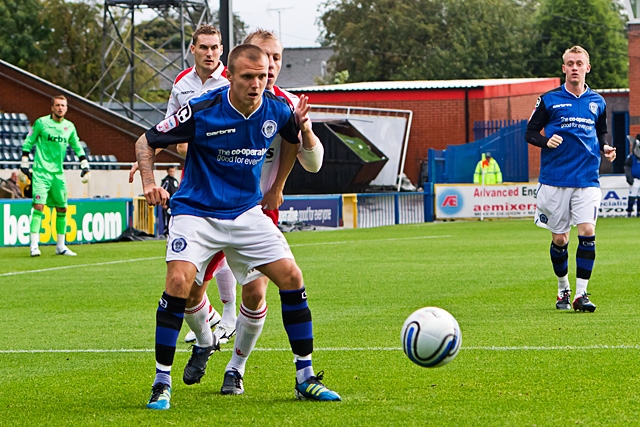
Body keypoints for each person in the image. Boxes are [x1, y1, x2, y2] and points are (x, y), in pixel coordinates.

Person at [137, 44, 340, 410]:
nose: (256, 84)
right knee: (179, 284)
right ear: (229, 76)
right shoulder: (202, 109)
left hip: (246, 213)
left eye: (262, 76)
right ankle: (161, 382)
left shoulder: (277, 109)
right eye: (248, 76)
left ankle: (305, 377)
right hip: (196, 212)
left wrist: (277, 187)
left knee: (292, 278)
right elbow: (146, 140)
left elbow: (295, 142)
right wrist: (150, 183)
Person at [216, 28, 324, 397]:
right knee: (186, 292)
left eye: (277, 58)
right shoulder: (218, 100)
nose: (271, 66)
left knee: (255, 294)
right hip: (210, 208)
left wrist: (306, 130)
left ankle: (236, 367)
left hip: (257, 213)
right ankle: (202, 339)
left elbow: (314, 163)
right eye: (264, 57)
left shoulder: (289, 105)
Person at [129, 24, 236, 345]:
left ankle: (228, 313)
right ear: (193, 49)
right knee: (198, 254)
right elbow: (168, 126)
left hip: (228, 173)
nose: (210, 53)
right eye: (204, 47)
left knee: (222, 247)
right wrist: (146, 154)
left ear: (222, 50)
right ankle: (208, 316)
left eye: (215, 47)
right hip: (194, 175)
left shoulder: (233, 79)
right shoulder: (181, 83)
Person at [525, 45, 616, 313]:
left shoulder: (598, 102)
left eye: (579, 63)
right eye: (570, 63)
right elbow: (530, 132)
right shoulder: (549, 100)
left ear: (587, 68)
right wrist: (545, 140)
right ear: (563, 68)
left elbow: (601, 134)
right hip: (554, 180)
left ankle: (581, 294)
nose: (574, 67)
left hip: (587, 179)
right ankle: (563, 289)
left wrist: (606, 148)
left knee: (587, 232)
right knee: (561, 240)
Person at [20, 95, 90, 257]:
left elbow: (77, 146)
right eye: (57, 105)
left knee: (62, 208)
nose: (60, 108)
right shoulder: (41, 123)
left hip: (58, 174)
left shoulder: (69, 127)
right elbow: (28, 141)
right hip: (41, 172)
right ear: (52, 107)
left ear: (66, 108)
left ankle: (60, 246)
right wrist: (24, 163)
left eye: (63, 106)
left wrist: (84, 164)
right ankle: (34, 246)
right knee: (39, 206)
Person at [160, 166, 179, 235]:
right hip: (167, 204)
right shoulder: (166, 181)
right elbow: (162, 191)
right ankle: (166, 231)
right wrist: (163, 203)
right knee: (166, 218)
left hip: (174, 204)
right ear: (167, 172)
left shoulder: (175, 181)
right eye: (170, 171)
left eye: (173, 171)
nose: (172, 173)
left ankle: (173, 231)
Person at [624, 134, 640, 217]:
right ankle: (629, 212)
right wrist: (629, 177)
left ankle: (639, 212)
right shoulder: (631, 157)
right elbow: (627, 167)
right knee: (632, 196)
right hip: (635, 180)